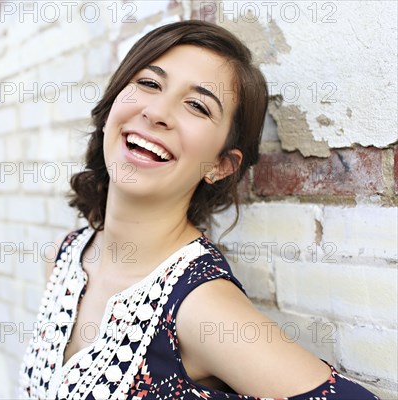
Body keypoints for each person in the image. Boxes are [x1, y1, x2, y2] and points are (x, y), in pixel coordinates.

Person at [19, 20, 380, 399]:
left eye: (197, 105)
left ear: (221, 165)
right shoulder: (63, 257)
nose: (158, 111)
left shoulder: (199, 305)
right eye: (149, 83)